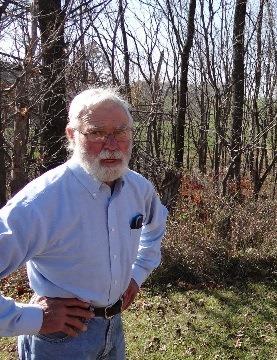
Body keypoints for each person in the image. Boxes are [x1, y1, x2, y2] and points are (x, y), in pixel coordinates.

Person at [0, 87, 168, 359]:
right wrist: (29, 318)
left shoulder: (139, 189)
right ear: (72, 135)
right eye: (97, 133)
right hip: (60, 339)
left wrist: (136, 275)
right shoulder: (41, 202)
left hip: (114, 330)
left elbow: (155, 227)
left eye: (121, 132)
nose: (112, 145)